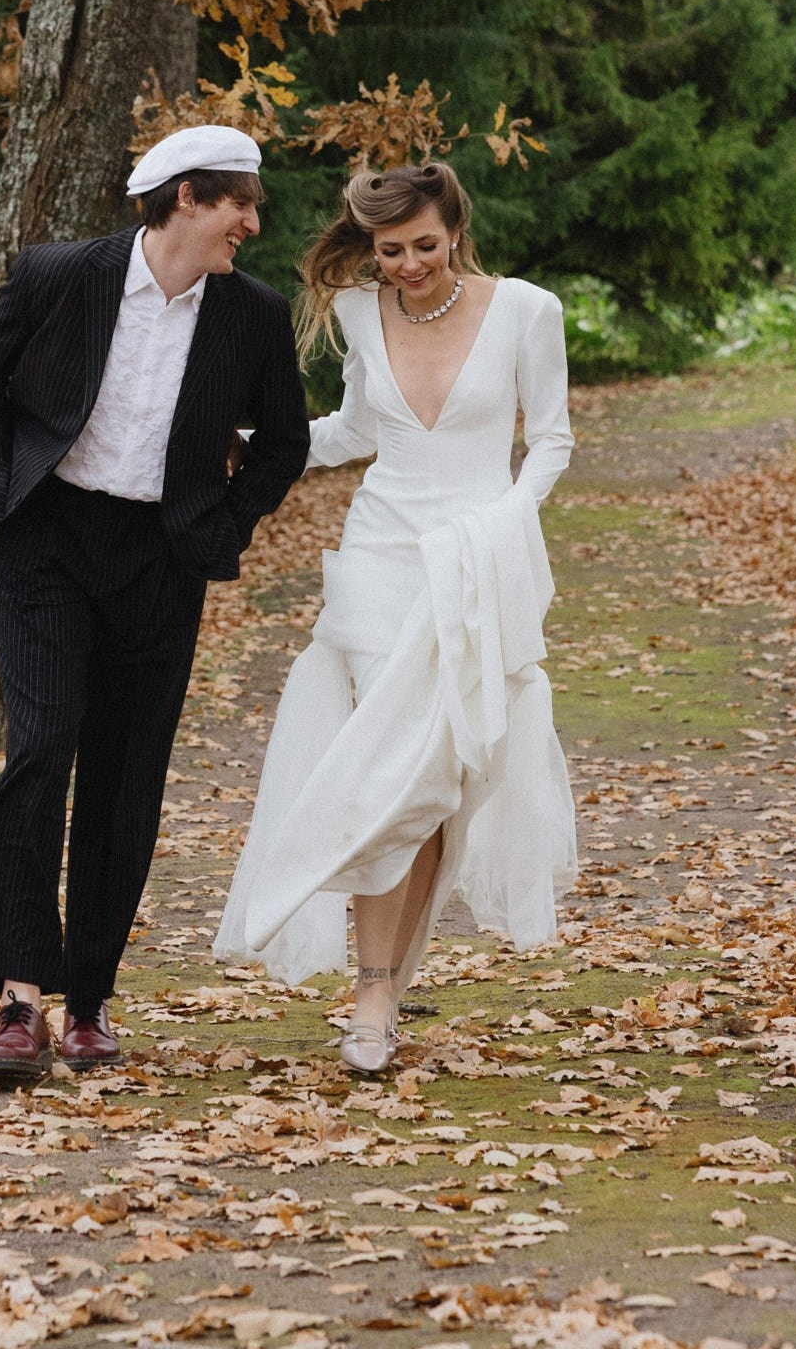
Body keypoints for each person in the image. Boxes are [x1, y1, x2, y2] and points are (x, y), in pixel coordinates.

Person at [0, 123, 310, 1083]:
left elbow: (283, 446)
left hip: (161, 560)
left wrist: (218, 526)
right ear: (187, 196)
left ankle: (91, 1002)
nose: (252, 225)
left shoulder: (253, 317)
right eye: (240, 204)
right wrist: (4, 479)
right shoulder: (61, 274)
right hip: (47, 545)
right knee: (45, 744)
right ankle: (20, 999)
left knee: (126, 775)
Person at [214, 159, 576, 1073]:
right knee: (390, 774)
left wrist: (506, 517)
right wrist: (249, 442)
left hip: (478, 559)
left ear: (456, 228)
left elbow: (553, 439)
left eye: (424, 244)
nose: (408, 265)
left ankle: (388, 979)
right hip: (379, 558)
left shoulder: (528, 310)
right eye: (389, 252)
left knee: (437, 780)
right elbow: (359, 432)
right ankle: (372, 993)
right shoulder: (357, 314)